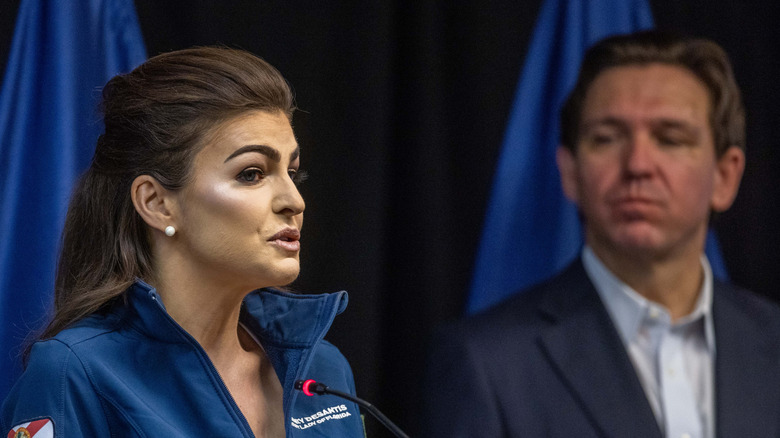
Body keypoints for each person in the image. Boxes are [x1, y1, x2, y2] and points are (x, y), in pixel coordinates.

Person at [424, 31, 780, 438]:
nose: (638, 164)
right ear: (571, 172)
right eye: (607, 138)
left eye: (670, 138)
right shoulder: (486, 363)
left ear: (725, 175)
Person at [1, 47, 365, 437]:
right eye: (252, 173)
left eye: (293, 172)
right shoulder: (74, 374)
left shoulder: (323, 370)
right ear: (156, 203)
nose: (295, 201)